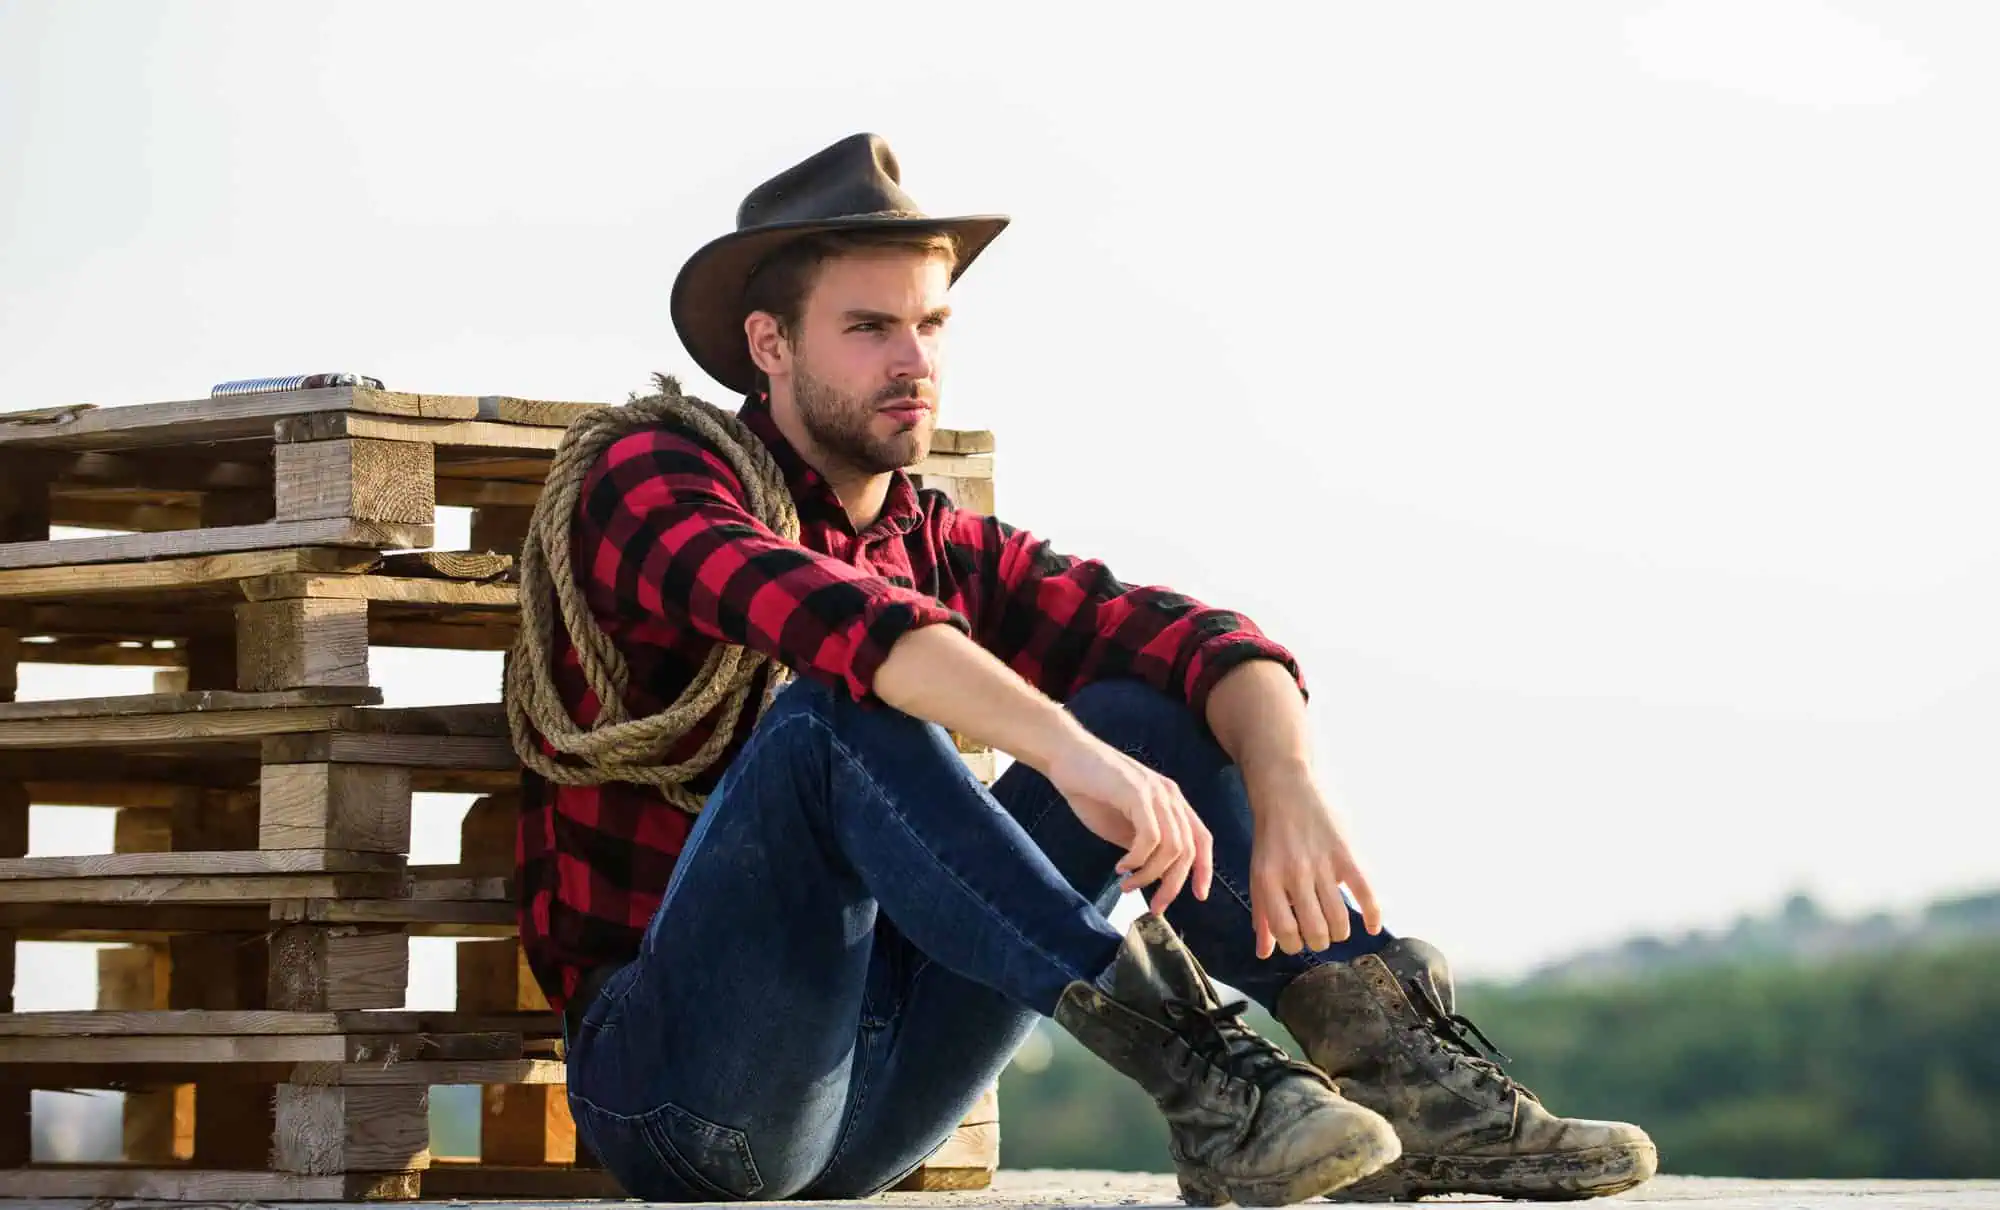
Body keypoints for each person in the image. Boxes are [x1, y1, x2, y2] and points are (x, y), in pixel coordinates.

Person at [513, 132, 1657, 1204]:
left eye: (932, 324)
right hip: (685, 1097)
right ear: (769, 344)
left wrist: (1287, 779)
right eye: (869, 328)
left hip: (876, 1094)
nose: (914, 360)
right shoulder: (651, 478)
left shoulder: (934, 543)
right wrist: (1065, 753)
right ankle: (1203, 1073)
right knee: (833, 717)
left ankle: (1409, 1081)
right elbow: (833, 618)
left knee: (1148, 709)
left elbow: (1194, 636)